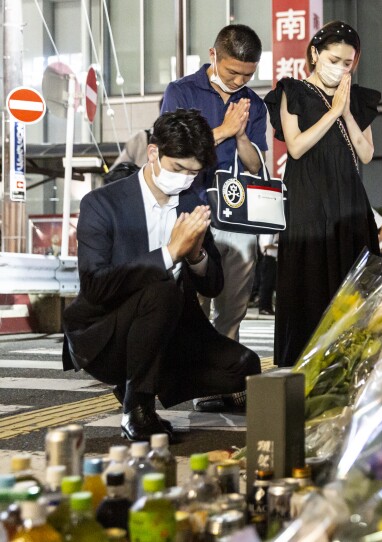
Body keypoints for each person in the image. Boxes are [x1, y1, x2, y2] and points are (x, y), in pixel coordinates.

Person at [61, 110, 261, 441]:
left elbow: (213, 286)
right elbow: (95, 286)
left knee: (243, 366)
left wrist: (196, 254)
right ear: (154, 153)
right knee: (161, 287)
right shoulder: (102, 203)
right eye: (178, 168)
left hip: (170, 329)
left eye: (194, 173)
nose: (184, 178)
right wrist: (170, 252)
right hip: (108, 331)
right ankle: (137, 407)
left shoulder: (190, 202)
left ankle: (143, 379)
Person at [265, 21, 381, 367]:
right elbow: (296, 147)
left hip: (348, 203)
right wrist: (332, 113)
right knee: (309, 281)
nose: (341, 68)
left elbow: (366, 153)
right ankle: (302, 370)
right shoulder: (293, 91)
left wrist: (345, 112)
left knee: (352, 283)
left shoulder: (355, 98)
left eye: (347, 63)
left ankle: (352, 368)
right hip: (308, 203)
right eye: (334, 59)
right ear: (314, 54)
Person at [161, 24, 268, 344]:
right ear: (213, 55)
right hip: (188, 205)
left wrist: (242, 135)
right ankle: (194, 380)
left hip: (237, 210)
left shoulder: (254, 104)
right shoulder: (181, 91)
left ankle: (224, 379)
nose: (238, 81)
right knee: (193, 300)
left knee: (233, 303)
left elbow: (255, 165)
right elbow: (172, 149)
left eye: (247, 76)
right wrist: (223, 130)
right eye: (232, 72)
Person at [257, 233, 278, 315]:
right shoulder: (267, 233)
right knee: (266, 285)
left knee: (270, 286)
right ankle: (263, 307)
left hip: (273, 259)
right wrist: (277, 246)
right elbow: (266, 245)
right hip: (268, 259)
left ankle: (268, 308)